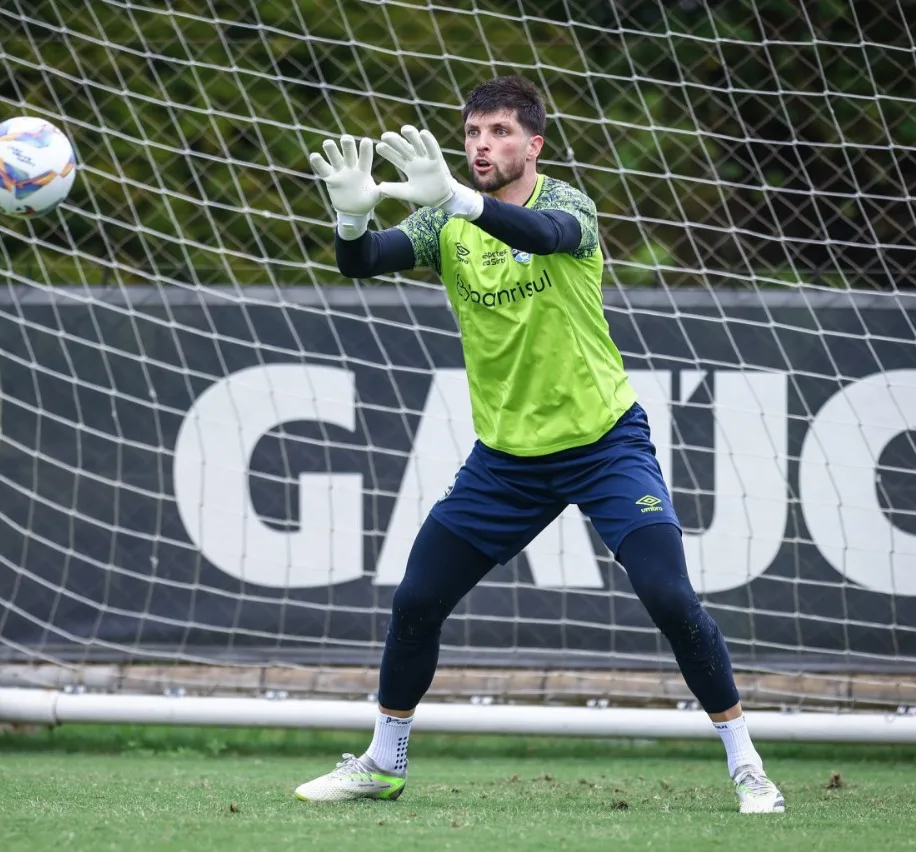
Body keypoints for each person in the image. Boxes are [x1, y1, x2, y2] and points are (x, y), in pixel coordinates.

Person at [295, 75, 784, 814]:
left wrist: (459, 200)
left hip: (603, 445)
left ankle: (748, 765)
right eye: (471, 134)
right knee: (417, 599)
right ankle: (383, 763)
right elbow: (358, 264)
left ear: (534, 144)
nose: (481, 146)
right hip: (507, 461)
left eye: (498, 132)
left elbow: (545, 237)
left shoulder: (564, 203)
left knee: (669, 596)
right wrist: (353, 219)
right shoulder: (443, 225)